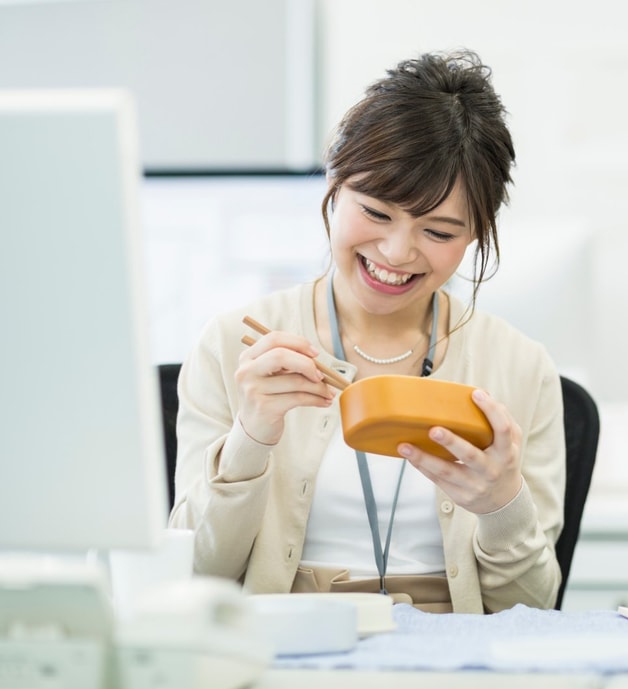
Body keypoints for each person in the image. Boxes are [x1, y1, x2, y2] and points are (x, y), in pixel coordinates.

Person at [168, 49, 566, 614]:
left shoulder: (521, 368)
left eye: (440, 231)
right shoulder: (234, 346)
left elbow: (531, 610)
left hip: (454, 653)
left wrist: (503, 505)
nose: (396, 253)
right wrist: (251, 438)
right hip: (288, 645)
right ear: (334, 181)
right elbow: (194, 578)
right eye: (376, 213)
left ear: (478, 232)